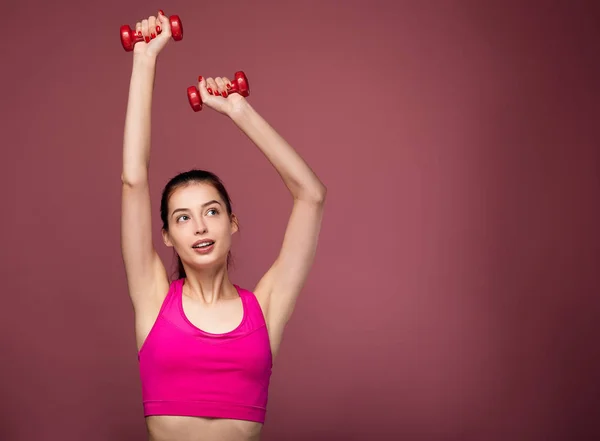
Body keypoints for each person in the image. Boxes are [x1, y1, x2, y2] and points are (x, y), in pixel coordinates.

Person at [120, 10, 327, 441]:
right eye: (183, 217)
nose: (199, 226)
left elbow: (311, 195)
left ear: (232, 222)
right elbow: (134, 178)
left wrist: (239, 110)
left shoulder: (266, 307)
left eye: (212, 211)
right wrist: (144, 59)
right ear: (167, 237)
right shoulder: (154, 298)